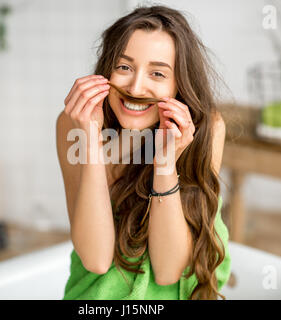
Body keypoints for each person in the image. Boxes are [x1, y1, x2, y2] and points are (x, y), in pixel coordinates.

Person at [56, 5, 231, 300]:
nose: (136, 87)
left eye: (157, 73)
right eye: (124, 67)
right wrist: (91, 140)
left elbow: (168, 271)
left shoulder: (206, 128)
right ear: (106, 71)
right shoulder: (74, 122)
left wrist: (165, 161)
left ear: (179, 84)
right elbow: (96, 260)